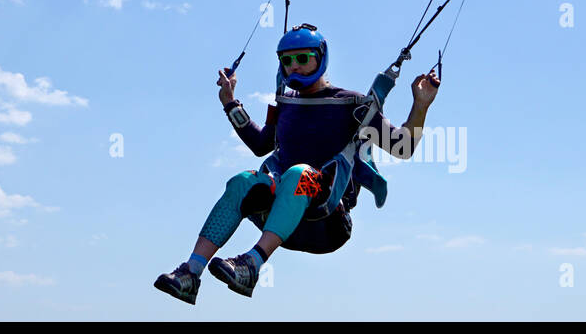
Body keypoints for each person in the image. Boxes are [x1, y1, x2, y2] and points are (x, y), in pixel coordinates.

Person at [154, 24, 440, 304]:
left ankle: (252, 265)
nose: (294, 67)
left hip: (328, 221)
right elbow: (260, 144)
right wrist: (230, 102)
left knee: (297, 173)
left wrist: (421, 105)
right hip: (284, 220)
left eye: (302, 58)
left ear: (321, 57)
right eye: (287, 61)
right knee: (242, 181)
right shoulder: (286, 104)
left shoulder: (352, 104)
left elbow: (402, 147)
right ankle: (191, 273)